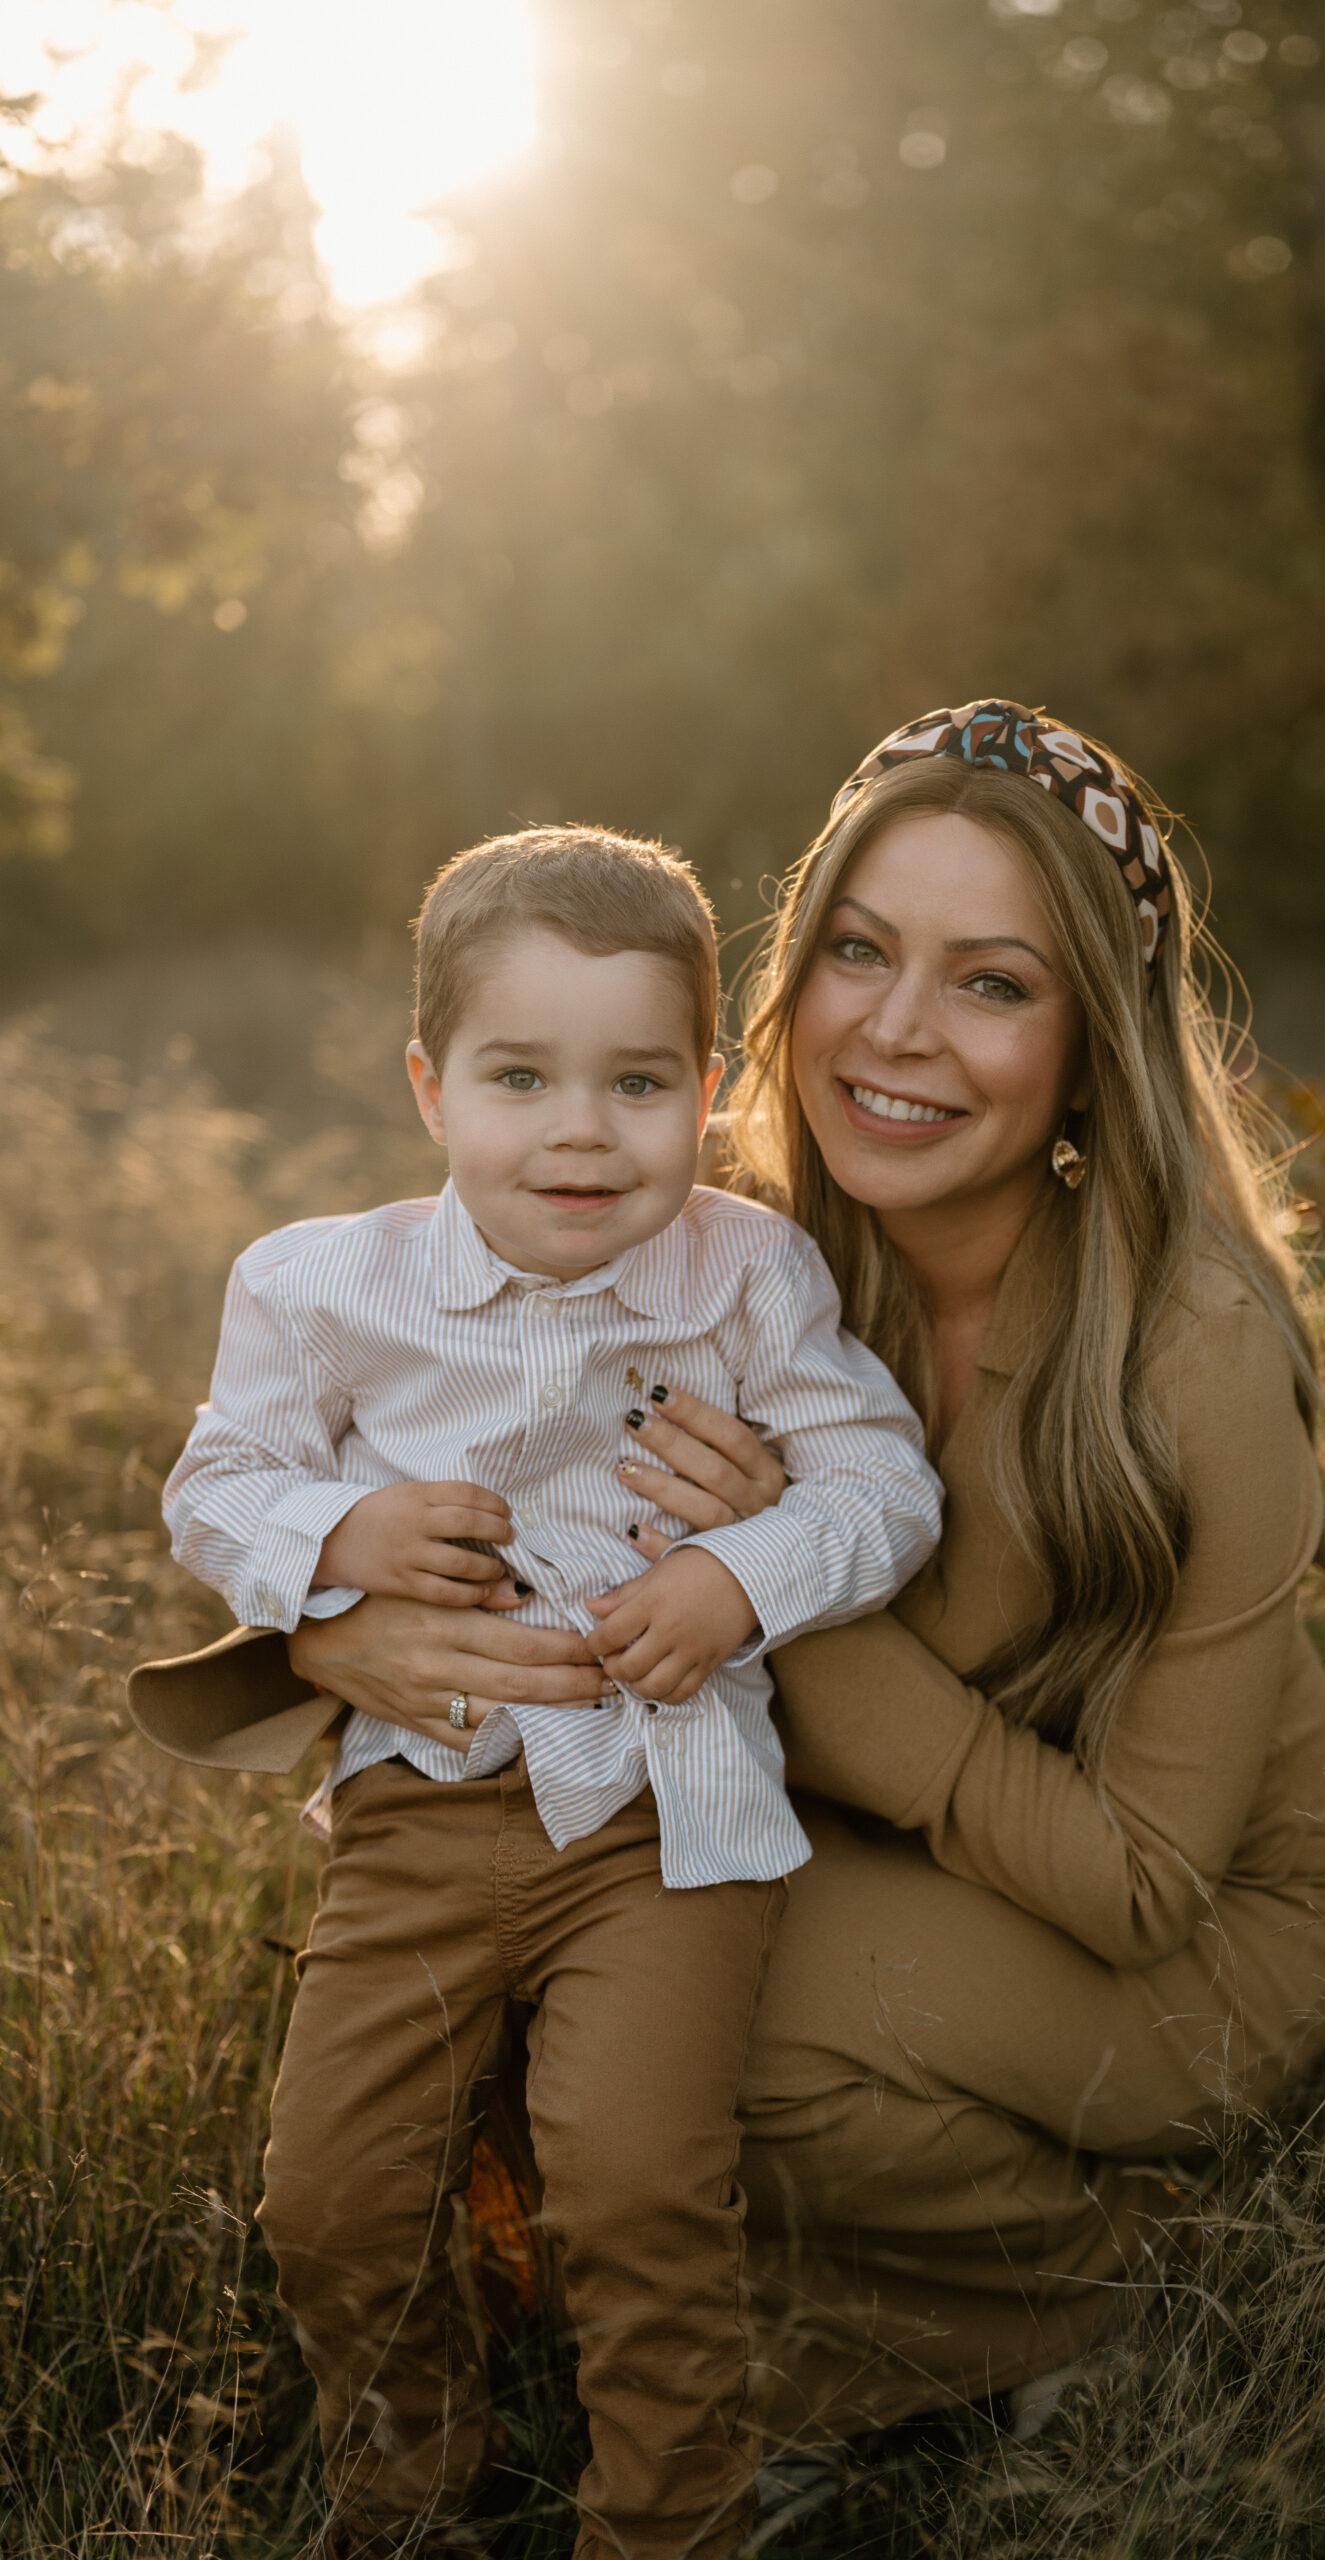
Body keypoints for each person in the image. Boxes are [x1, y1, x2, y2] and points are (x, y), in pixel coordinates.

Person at [133, 700, 1325, 2504]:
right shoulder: (725, 1243)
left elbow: (1139, 1881)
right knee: (517, 2011)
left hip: (1179, 1917)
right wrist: (340, 1620)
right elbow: (435, 1465)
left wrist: (789, 1600)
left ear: (1093, 1046)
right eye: (862, 952)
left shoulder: (1188, 1356)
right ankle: (759, 2327)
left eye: (992, 983)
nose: (895, 1028)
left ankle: (1108, 2293)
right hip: (903, 1836)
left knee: (718, 2046)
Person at [153, 827, 943, 2560]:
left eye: (638, 1081)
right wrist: (341, 1526)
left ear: (710, 1086)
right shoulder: (315, 1285)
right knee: (333, 2201)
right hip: (416, 1817)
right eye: (523, 1077)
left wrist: (743, 1575)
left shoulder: (745, 1275)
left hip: (667, 1825)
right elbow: (210, 1490)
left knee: (642, 2189)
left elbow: (885, 1483)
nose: (582, 1130)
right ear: (433, 1088)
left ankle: (668, 2526)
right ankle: (414, 2488)